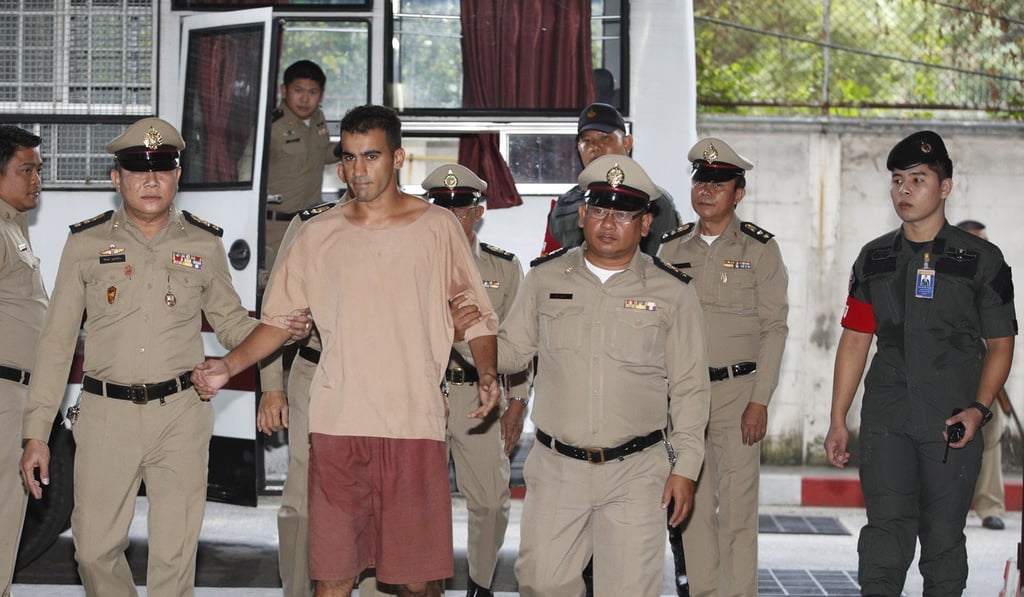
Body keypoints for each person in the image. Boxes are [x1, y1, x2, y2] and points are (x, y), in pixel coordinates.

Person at [190, 104, 502, 597]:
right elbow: (277, 323)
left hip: (412, 424)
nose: (358, 170)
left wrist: (487, 371)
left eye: (371, 156)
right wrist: (228, 366)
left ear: (398, 158)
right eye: (350, 158)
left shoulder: (438, 228)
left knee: (417, 582)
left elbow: (472, 311)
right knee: (332, 578)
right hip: (337, 424)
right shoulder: (318, 234)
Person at [17, 117, 299, 597]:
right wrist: (36, 434)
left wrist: (277, 354)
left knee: (174, 559)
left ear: (178, 176)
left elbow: (235, 327)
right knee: (93, 551)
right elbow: (56, 344)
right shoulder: (85, 244)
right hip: (107, 416)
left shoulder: (202, 244)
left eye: (162, 169)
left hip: (180, 416)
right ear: (116, 178)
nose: (151, 181)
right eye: (137, 169)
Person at [471, 154, 710, 596]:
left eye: (623, 213)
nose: (608, 223)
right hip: (559, 468)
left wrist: (687, 469)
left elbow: (691, 389)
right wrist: (461, 329)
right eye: (599, 209)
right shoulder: (544, 279)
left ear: (644, 224)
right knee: (541, 584)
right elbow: (511, 352)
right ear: (581, 215)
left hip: (637, 471)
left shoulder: (672, 292)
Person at [824, 131, 1016, 596]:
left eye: (917, 179)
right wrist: (837, 419)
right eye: (896, 180)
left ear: (944, 186)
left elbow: (1001, 343)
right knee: (884, 537)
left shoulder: (982, 261)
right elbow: (854, 340)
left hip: (952, 420)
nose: (904, 190)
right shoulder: (875, 258)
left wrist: (978, 409)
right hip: (888, 417)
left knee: (943, 540)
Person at [658, 137, 789, 597]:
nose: (706, 189)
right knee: (689, 509)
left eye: (719, 181)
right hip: (685, 400)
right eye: (700, 179)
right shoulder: (670, 250)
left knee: (737, 512)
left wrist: (760, 400)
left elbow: (775, 328)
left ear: (739, 193)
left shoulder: (760, 250)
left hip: (738, 396)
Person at [423, 163, 530, 597]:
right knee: (418, 501)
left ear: (478, 211)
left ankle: (480, 586)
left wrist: (518, 403)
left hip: (478, 397)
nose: (451, 217)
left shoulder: (503, 269)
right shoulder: (411, 263)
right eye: (441, 207)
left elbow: (519, 342)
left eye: (461, 208)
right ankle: (422, 582)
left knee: (490, 499)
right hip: (423, 392)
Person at [0, 125, 45, 597]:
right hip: (3, 394)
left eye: (39, 169)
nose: (37, 179)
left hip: (19, 392)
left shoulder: (14, 224)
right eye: (26, 169)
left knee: (8, 516)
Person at [543, 102, 679, 257]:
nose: (595, 146)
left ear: (627, 143)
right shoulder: (565, 204)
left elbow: (664, 266)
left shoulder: (655, 203)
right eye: (586, 140)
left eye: (605, 138)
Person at [956, 219, 1010, 531]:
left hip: (983, 369)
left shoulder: (993, 278)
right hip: (947, 373)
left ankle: (990, 505)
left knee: (992, 431)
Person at [265, 60, 339, 270]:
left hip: (311, 223)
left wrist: (347, 146)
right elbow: (246, 169)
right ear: (284, 90)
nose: (305, 98)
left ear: (321, 95)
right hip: (277, 227)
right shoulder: (271, 127)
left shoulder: (318, 118)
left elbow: (319, 154)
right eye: (298, 90)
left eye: (312, 92)